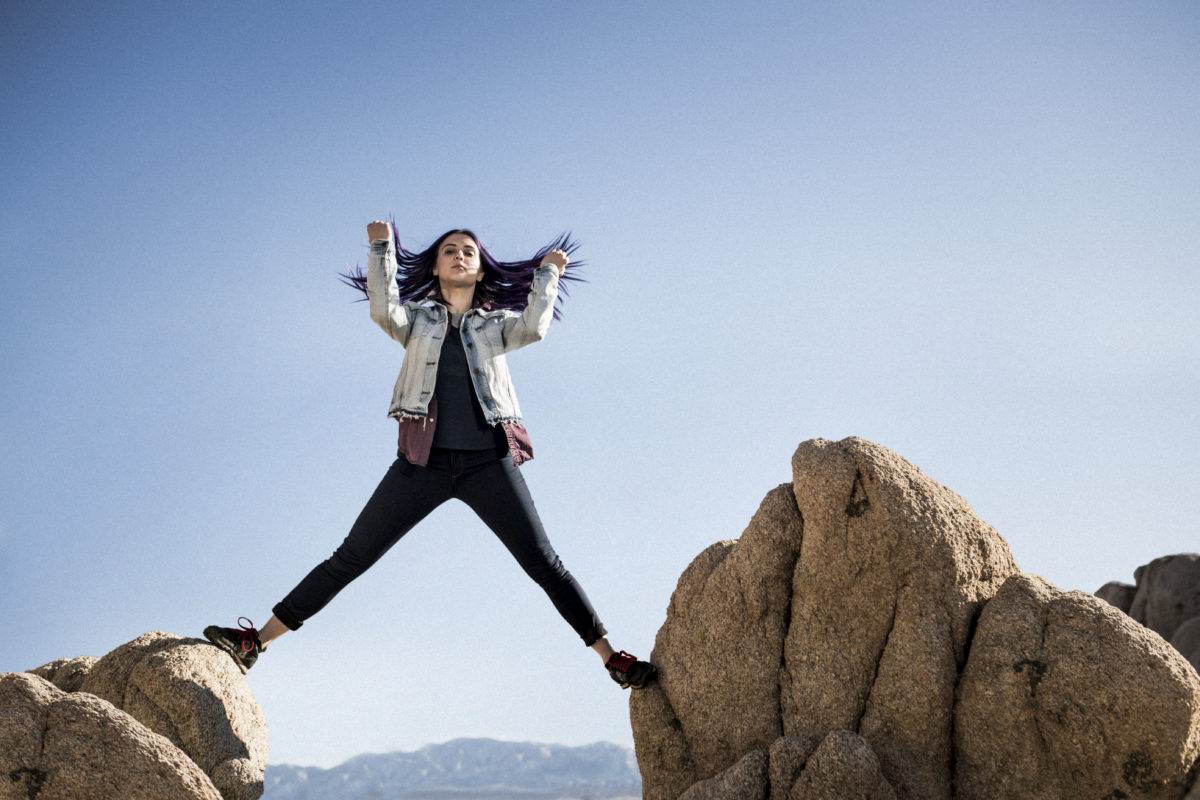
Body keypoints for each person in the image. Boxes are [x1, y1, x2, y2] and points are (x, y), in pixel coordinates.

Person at [204, 220, 656, 690]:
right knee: (350, 557)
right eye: (449, 251)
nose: (460, 256)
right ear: (437, 268)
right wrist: (381, 249)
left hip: (489, 464)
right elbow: (384, 311)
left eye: (468, 252)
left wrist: (547, 277)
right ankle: (255, 641)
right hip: (422, 465)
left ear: (480, 272)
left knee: (545, 563)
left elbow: (534, 329)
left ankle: (611, 659)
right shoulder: (418, 320)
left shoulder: (494, 327)